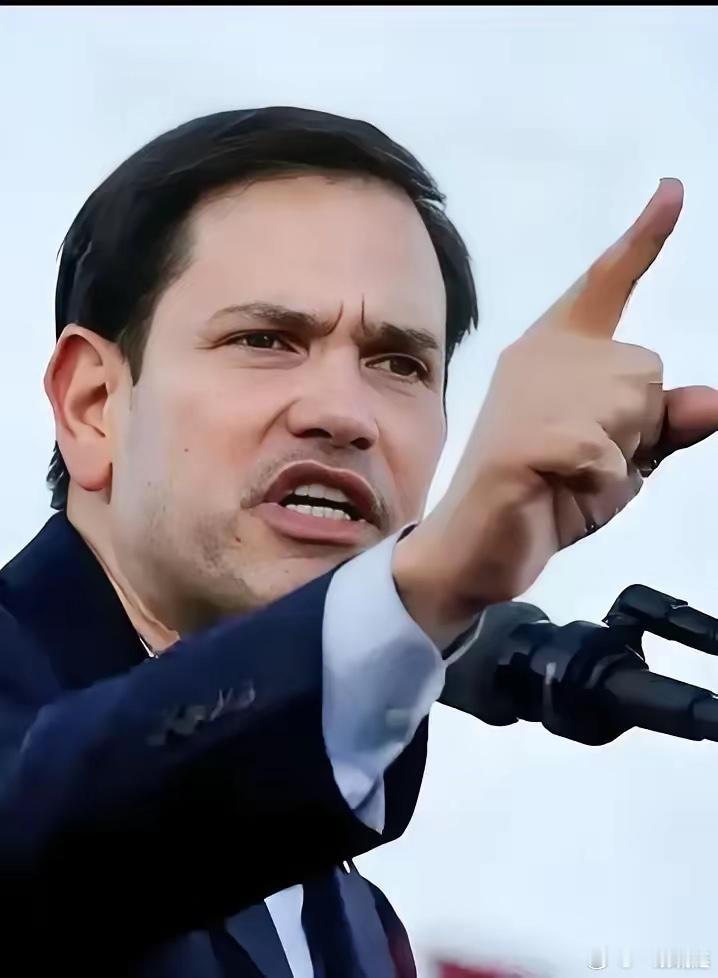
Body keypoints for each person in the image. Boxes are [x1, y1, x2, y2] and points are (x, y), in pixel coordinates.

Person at [2, 106, 717, 978]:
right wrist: (428, 584)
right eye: (265, 340)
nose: (345, 414)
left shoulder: (358, 923)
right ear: (93, 406)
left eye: (399, 364)